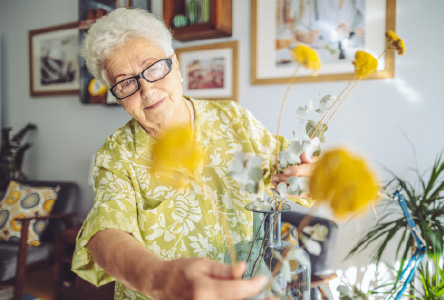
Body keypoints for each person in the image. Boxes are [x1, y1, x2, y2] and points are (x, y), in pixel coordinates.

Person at [72, 8, 316, 300]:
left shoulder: (233, 119)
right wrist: (158, 278)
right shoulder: (116, 155)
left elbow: (292, 171)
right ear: (116, 94)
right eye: (125, 82)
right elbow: (105, 232)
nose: (147, 91)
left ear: (174, 64)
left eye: (153, 68)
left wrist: (309, 174)